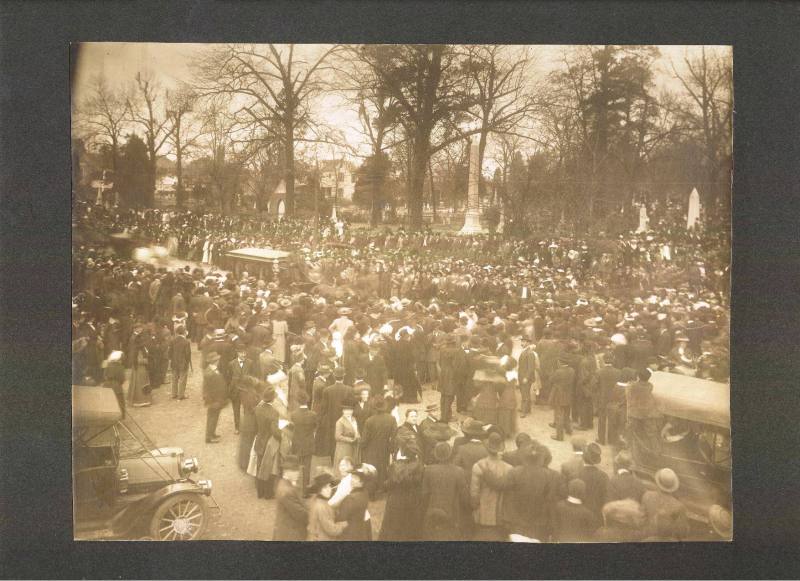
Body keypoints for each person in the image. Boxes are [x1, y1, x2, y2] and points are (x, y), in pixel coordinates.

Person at [421, 443, 471, 540]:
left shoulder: (428, 470)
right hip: (452, 514)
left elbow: (424, 495)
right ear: (450, 454)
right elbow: (464, 497)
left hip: (432, 514)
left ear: (436, 455)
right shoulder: (458, 471)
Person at [470, 432, 513, 540]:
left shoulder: (478, 466)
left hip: (482, 514)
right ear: (500, 448)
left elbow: (474, 493)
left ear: (487, 448)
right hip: (499, 514)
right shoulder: (509, 469)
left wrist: (474, 509)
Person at [379, 442, 424, 541]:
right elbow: (419, 483)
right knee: (410, 527)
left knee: (392, 527)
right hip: (412, 499)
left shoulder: (394, 465)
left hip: (395, 499)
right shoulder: (420, 466)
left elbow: (388, 485)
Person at [360, 397, 397, 497]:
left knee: (372, 469)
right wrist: (391, 448)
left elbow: (364, 439)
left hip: (371, 449)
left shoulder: (369, 420)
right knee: (383, 467)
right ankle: (382, 488)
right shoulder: (391, 419)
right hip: (384, 448)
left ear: (374, 408)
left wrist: (362, 447)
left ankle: (371, 493)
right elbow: (394, 436)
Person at [315, 366, 353, 460]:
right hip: (345, 420)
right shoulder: (349, 390)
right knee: (344, 443)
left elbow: (323, 408)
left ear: (334, 376)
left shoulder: (327, 390)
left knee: (333, 442)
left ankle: (333, 461)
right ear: (343, 376)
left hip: (331, 421)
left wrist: (319, 421)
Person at [640, 468, 689, 539]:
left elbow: (641, 520)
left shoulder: (647, 495)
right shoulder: (679, 506)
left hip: (647, 537)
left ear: (658, 482)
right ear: (673, 485)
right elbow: (682, 533)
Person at [254, 386, 282, 499]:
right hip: (269, 444)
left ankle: (260, 492)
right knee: (269, 469)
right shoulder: (274, 412)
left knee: (259, 466)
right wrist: (281, 436)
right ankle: (268, 493)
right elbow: (275, 431)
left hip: (260, 440)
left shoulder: (258, 408)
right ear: (272, 399)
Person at [273, 455, 309, 541]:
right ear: (287, 472)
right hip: (290, 534)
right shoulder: (286, 491)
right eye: (295, 471)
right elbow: (300, 514)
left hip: (286, 529)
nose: (299, 473)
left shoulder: (285, 483)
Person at [290, 391, 318, 496]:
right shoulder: (313, 415)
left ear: (298, 401)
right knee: (307, 468)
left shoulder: (294, 414)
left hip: (297, 443)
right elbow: (315, 427)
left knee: (295, 466)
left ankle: (293, 490)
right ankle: (305, 492)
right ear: (307, 401)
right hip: (308, 444)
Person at [335, 467, 373, 541]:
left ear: (361, 482)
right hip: (361, 531)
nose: (352, 480)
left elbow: (341, 518)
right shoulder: (365, 493)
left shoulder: (351, 498)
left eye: (355, 478)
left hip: (349, 534)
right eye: (352, 477)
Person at [307, 473, 347, 541]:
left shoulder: (318, 500)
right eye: (325, 487)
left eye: (329, 486)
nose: (329, 489)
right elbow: (332, 530)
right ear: (319, 490)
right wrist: (343, 524)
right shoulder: (321, 506)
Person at [228, 346, 257, 434]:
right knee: (236, 410)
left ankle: (247, 427)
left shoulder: (250, 363)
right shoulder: (231, 364)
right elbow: (229, 378)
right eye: (241, 353)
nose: (243, 355)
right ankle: (237, 428)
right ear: (238, 353)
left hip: (246, 391)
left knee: (247, 410)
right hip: (235, 392)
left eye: (245, 353)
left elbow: (253, 377)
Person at [577, 442, 609, 520]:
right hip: (596, 516)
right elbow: (606, 499)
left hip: (579, 515)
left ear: (583, 457)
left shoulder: (577, 474)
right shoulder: (604, 476)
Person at [202, 352, 228, 443]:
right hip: (214, 400)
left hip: (217, 399)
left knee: (214, 417)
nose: (219, 361)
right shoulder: (210, 372)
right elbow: (206, 389)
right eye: (217, 360)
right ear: (215, 361)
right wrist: (211, 402)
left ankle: (212, 433)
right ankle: (209, 437)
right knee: (212, 418)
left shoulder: (212, 369)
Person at [549, 356, 575, 441]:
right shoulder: (572, 370)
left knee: (559, 415)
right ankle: (569, 430)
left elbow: (551, 380)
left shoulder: (558, 372)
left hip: (559, 395)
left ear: (561, 362)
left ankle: (559, 436)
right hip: (569, 395)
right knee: (567, 414)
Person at [333, 402, 360, 470]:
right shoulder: (340, 422)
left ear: (352, 411)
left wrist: (358, 436)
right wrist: (350, 440)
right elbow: (337, 436)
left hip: (353, 447)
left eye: (350, 410)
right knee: (344, 465)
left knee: (351, 465)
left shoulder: (354, 419)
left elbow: (356, 430)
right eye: (346, 410)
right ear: (343, 411)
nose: (348, 412)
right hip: (344, 448)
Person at [517, 337, 540, 418]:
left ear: (528, 342)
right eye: (522, 341)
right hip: (522, 376)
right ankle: (528, 409)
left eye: (523, 341)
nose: (521, 343)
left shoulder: (529, 353)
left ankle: (524, 411)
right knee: (525, 393)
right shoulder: (525, 351)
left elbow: (531, 368)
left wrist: (526, 377)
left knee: (525, 394)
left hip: (526, 377)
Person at [169, 325, 192, 400]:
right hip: (183, 363)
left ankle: (173, 394)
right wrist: (188, 362)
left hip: (174, 362)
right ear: (184, 332)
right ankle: (181, 395)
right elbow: (187, 354)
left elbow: (170, 352)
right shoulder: (186, 342)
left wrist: (171, 359)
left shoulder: (173, 341)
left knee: (174, 378)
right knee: (182, 379)